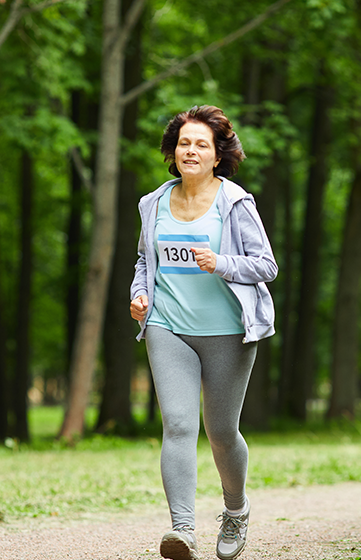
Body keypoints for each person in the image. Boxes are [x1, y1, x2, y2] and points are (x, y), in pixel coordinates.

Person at [129, 105, 277, 560]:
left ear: (217, 156)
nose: (190, 151)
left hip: (228, 333)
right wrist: (140, 296)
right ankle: (183, 531)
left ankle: (235, 510)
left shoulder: (236, 202)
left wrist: (223, 263)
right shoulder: (152, 203)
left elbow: (266, 266)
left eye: (201, 145)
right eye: (183, 143)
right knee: (176, 425)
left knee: (220, 431)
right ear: (173, 152)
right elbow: (143, 261)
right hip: (167, 326)